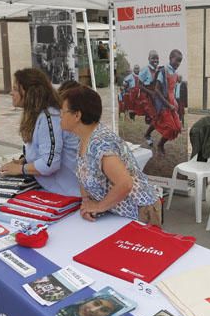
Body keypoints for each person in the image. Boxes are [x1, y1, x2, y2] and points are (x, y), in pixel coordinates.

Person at [59, 85, 161, 223]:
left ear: (77, 115)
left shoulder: (101, 143)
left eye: (63, 111)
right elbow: (83, 174)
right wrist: (87, 204)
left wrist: (99, 207)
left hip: (139, 213)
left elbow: (125, 184)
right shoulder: (84, 138)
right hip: (116, 214)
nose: (60, 115)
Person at [0, 68, 80, 196]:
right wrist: (24, 161)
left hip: (69, 193)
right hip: (56, 189)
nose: (11, 93)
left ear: (30, 93)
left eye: (15, 89)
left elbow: (50, 164)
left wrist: (20, 169)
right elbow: (42, 150)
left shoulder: (49, 117)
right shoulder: (40, 115)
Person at [151, 49, 184, 155]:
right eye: (177, 60)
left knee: (178, 128)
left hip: (172, 103)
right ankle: (160, 145)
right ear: (170, 58)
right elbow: (156, 90)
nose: (178, 63)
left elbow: (172, 89)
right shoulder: (163, 71)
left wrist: (174, 102)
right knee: (171, 128)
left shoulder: (175, 73)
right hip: (164, 103)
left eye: (180, 61)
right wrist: (168, 104)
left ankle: (159, 141)